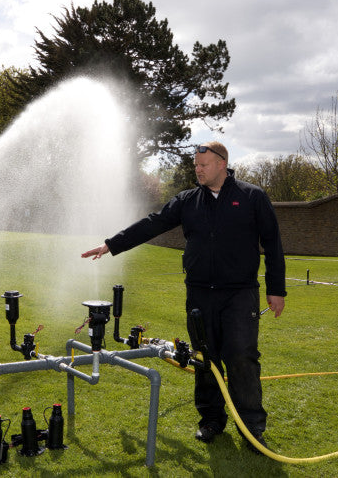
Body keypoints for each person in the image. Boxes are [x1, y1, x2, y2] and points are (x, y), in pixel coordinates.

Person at [81, 141, 286, 452]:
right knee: (206, 359)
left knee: (242, 357)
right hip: (200, 295)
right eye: (195, 165)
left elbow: (272, 243)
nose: (198, 169)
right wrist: (112, 244)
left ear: (222, 163)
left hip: (240, 294)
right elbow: (153, 223)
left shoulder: (251, 196)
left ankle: (251, 428)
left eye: (203, 164)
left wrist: (276, 289)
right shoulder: (188, 201)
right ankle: (211, 421)